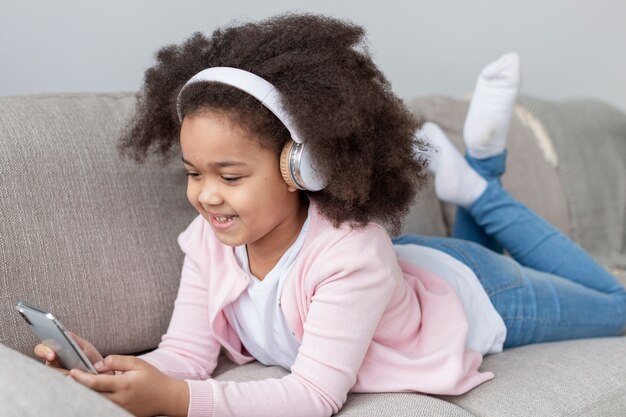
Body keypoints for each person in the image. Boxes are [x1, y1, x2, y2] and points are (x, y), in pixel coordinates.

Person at [34, 13, 626, 417]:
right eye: (194, 173)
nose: (206, 196)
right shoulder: (207, 239)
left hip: (480, 291)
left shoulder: (350, 252)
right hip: (412, 277)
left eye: (231, 176)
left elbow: (315, 394)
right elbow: (186, 356)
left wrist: (182, 403)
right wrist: (119, 370)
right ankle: (478, 170)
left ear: (304, 167)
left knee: (618, 305)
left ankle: (478, 186)